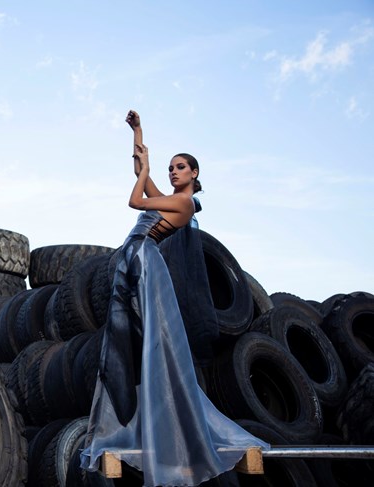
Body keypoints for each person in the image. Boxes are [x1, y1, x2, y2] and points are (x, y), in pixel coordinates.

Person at [80, 110, 269, 486]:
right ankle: (139, 414)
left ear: (194, 175)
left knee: (153, 344)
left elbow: (136, 201)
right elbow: (141, 177)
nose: (173, 172)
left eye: (180, 167)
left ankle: (170, 426)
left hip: (145, 261)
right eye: (170, 167)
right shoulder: (170, 199)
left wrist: (146, 169)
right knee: (131, 338)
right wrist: (138, 133)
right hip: (133, 259)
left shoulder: (182, 205)